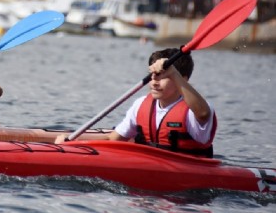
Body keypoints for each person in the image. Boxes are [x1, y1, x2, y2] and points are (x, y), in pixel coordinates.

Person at [56, 48, 216, 157]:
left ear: (183, 79)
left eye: (163, 76)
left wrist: (174, 73)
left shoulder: (194, 109)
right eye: (153, 75)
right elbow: (114, 140)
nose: (154, 82)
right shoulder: (140, 105)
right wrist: (74, 143)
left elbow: (203, 114)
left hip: (189, 176)